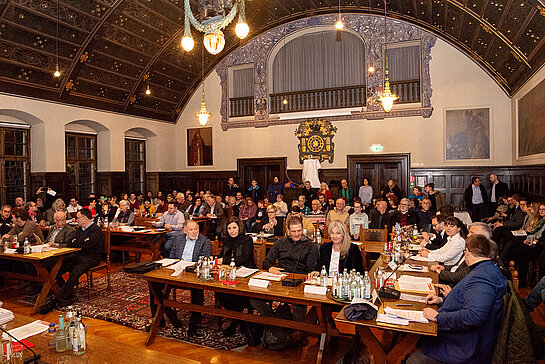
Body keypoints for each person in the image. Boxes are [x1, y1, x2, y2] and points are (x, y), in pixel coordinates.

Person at [407, 234, 507, 364]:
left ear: (467, 252)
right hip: (461, 336)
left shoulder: (483, 277)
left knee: (413, 361)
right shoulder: (484, 269)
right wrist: (442, 300)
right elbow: (469, 298)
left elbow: (474, 316)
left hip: (463, 346)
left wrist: (437, 317)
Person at [150, 220, 211, 336]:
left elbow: (205, 260)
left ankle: (194, 321)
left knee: (197, 289)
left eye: (196, 229)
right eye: (191, 230)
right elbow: (172, 257)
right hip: (177, 270)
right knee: (153, 284)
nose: (194, 232)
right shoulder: (179, 239)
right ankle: (159, 319)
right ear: (185, 231)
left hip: (193, 273)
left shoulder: (205, 241)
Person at [253, 216, 319, 321]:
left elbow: (311, 270)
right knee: (254, 299)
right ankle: (274, 320)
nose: (297, 234)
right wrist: (270, 268)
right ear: (288, 231)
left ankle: (292, 330)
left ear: (303, 229)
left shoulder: (311, 246)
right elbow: (266, 262)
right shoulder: (280, 242)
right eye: (293, 231)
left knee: (298, 311)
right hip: (280, 280)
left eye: (299, 230)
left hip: (299, 283)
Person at [40, 208, 104, 313]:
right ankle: (67, 294)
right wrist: (79, 242)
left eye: (78, 218)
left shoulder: (95, 230)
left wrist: (78, 242)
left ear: (85, 218)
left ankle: (59, 298)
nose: (76, 219)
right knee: (57, 268)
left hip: (91, 257)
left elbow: (86, 245)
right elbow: (71, 242)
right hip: (77, 255)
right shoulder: (78, 229)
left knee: (75, 273)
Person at [216, 217, 255, 338]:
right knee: (220, 293)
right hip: (230, 274)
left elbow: (244, 259)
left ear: (239, 228)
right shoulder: (227, 240)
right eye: (229, 228)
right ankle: (240, 321)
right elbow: (220, 256)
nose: (232, 231)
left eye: (234, 227)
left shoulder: (247, 239)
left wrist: (224, 260)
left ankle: (235, 322)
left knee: (236, 294)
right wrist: (216, 259)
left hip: (246, 274)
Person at [431, 222, 493, 287]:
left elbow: (460, 277)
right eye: (469, 232)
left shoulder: (479, 255)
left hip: (454, 286)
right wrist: (444, 267)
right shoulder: (470, 248)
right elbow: (457, 266)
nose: (468, 235)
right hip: (450, 279)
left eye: (472, 233)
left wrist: (440, 272)